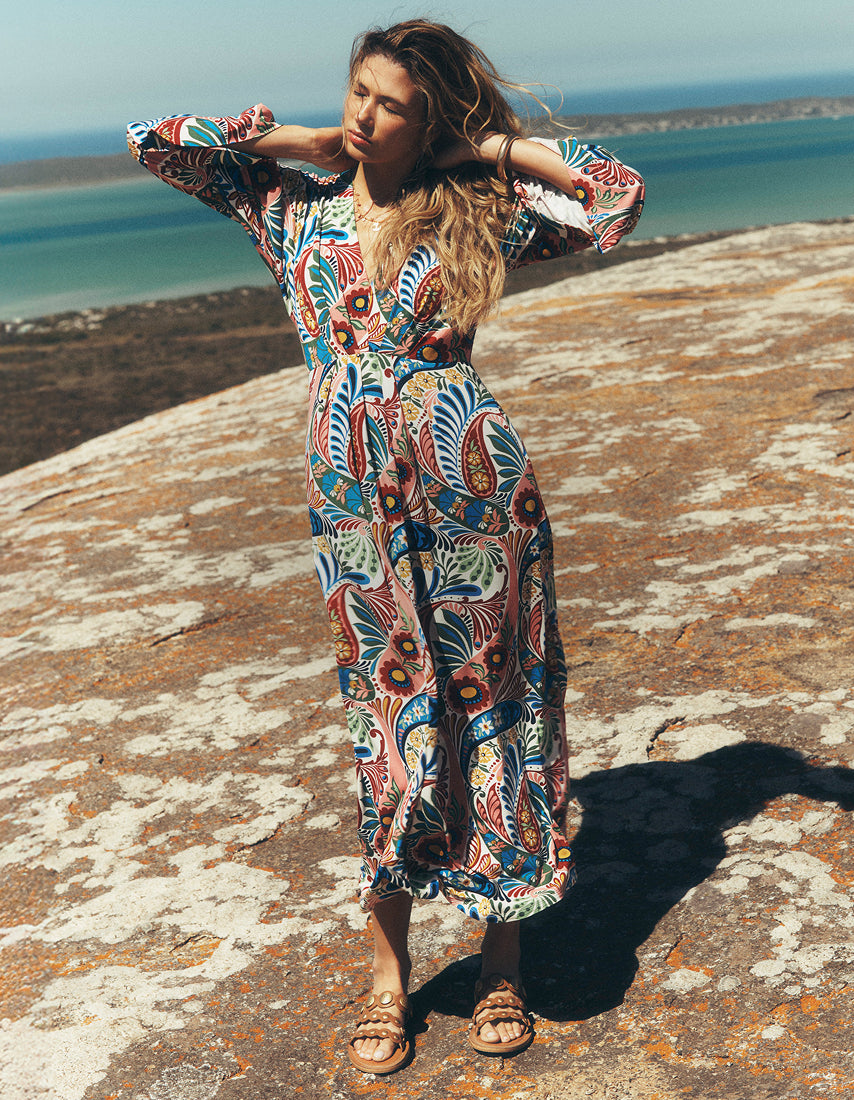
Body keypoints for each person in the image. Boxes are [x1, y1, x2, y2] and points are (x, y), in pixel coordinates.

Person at [128, 17, 644, 1074]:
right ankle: (384, 970)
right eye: (357, 92)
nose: (366, 115)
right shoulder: (288, 209)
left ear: (431, 120)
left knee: (493, 702)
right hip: (354, 500)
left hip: (471, 483)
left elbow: (613, 195)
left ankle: (502, 958)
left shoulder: (473, 214)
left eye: (389, 104)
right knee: (383, 714)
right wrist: (302, 139)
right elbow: (157, 141)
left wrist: (488, 150)